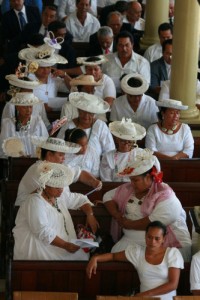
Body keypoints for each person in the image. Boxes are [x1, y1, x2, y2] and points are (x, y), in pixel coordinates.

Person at [102, 149, 192, 261]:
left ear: (149, 177)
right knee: (116, 253)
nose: (132, 184)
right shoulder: (127, 189)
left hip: (159, 242)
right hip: (130, 240)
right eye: (131, 180)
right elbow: (107, 196)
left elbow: (156, 221)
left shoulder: (165, 193)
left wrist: (129, 224)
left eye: (135, 180)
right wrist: (117, 214)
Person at [13, 162, 99, 260]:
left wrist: (90, 214)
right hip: (42, 246)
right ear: (45, 186)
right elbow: (42, 231)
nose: (61, 190)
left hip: (60, 244)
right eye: (57, 187)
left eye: (62, 186)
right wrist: (65, 245)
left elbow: (81, 199)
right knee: (80, 259)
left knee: (84, 255)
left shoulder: (59, 197)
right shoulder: (34, 201)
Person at [86, 221, 184, 300]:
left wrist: (144, 295)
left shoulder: (172, 253)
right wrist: (96, 258)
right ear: (145, 236)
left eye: (157, 238)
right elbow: (113, 256)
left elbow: (173, 284)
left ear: (164, 239)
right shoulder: (137, 252)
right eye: (149, 237)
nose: (152, 241)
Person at [16, 137, 102, 206]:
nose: (64, 158)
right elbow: (56, 197)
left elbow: (79, 173)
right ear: (49, 155)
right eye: (60, 155)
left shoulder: (61, 167)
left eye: (64, 155)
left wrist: (93, 181)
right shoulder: (38, 169)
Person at [18, 39, 69, 112]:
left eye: (48, 68)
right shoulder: (27, 80)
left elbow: (72, 88)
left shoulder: (53, 78)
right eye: (42, 68)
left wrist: (65, 75)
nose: (46, 71)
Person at [100, 118, 151, 182]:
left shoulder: (140, 154)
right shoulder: (108, 157)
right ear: (117, 139)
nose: (126, 144)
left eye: (129, 142)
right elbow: (106, 180)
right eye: (123, 141)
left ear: (133, 141)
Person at [2, 62, 50, 129]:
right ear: (19, 91)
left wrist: (52, 128)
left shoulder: (38, 103)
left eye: (30, 91)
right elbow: (6, 126)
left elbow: (45, 122)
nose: (29, 93)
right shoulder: (11, 105)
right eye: (25, 91)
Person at [0, 92, 48, 157]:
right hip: (15, 163)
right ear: (17, 107)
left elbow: (45, 143)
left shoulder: (38, 122)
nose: (28, 111)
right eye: (25, 107)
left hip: (34, 161)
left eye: (30, 107)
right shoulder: (8, 124)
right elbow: (3, 148)